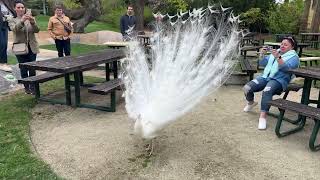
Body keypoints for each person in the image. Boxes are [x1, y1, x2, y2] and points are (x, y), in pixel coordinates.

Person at [243, 36, 300, 130]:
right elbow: (262, 63)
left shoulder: (294, 57)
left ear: (292, 47)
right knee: (247, 88)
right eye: (282, 43)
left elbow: (286, 69)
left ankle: (262, 117)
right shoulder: (277, 52)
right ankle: (251, 102)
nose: (282, 46)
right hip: (266, 77)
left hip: (280, 80)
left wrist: (278, 57)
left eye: (285, 44)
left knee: (267, 90)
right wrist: (262, 53)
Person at [8, 0, 39, 94]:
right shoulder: (11, 19)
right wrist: (22, 21)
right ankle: (26, 87)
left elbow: (37, 30)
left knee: (32, 68)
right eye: (18, 7)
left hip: (32, 47)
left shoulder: (31, 18)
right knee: (23, 68)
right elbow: (14, 29)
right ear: (15, 9)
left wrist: (33, 22)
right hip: (20, 48)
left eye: (22, 7)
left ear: (25, 8)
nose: (21, 9)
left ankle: (33, 86)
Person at [0, 0, 15, 72]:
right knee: (2, 43)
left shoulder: (6, 3)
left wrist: (9, 16)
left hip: (4, 25)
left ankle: (3, 62)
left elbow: (12, 12)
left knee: (4, 44)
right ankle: (2, 63)